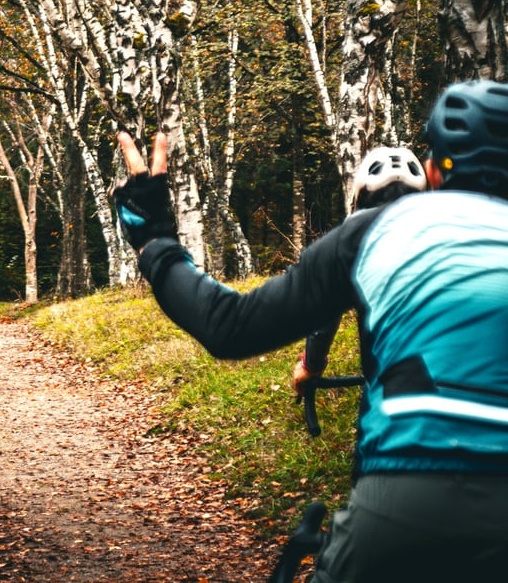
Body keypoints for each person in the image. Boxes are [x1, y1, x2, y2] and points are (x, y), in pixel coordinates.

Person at [112, 79, 508, 583]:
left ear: (434, 170)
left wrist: (154, 237)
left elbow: (228, 326)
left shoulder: (374, 231)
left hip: (405, 493)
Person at [292, 145, 427, 392]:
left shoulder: (351, 243)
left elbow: (325, 315)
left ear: (361, 196)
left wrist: (311, 365)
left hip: (393, 387)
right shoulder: (448, 232)